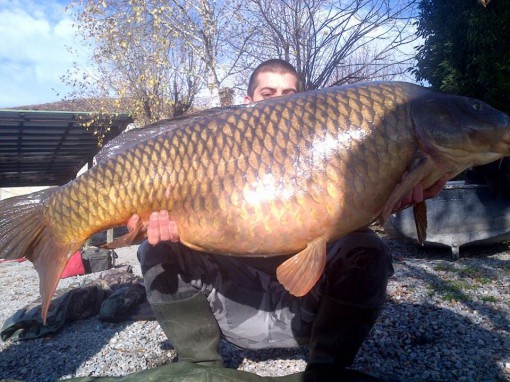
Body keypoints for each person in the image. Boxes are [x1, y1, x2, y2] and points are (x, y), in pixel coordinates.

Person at [128, 59, 446, 381]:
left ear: (301, 100)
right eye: (268, 92)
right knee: (155, 249)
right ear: (247, 102)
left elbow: (353, 213)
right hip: (233, 307)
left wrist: (397, 196)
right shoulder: (207, 154)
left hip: (304, 312)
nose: (278, 100)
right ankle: (199, 367)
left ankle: (326, 367)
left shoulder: (327, 150)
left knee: (368, 248)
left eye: (288, 93)